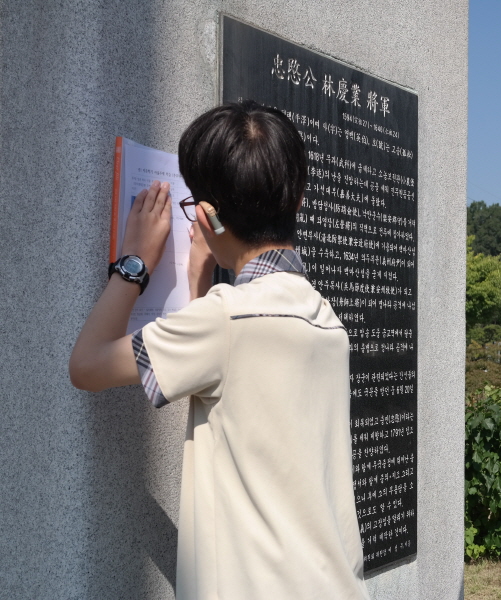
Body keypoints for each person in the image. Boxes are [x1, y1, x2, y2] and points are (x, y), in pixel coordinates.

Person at [70, 101, 370, 600]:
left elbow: (87, 365)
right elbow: (233, 387)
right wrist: (201, 281)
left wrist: (135, 264)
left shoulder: (226, 321)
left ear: (207, 215)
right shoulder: (324, 317)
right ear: (297, 200)